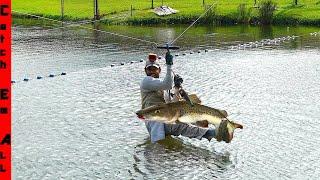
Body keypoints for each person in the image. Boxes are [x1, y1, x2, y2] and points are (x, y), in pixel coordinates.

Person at [140, 52, 228, 143]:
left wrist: (177, 88)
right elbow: (167, 84)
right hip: (155, 123)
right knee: (158, 147)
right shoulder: (146, 81)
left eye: (154, 69)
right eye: (149, 69)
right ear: (145, 71)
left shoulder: (163, 88)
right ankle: (214, 133)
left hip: (165, 121)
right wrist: (169, 65)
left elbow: (173, 104)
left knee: (184, 125)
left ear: (159, 70)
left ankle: (214, 133)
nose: (152, 72)